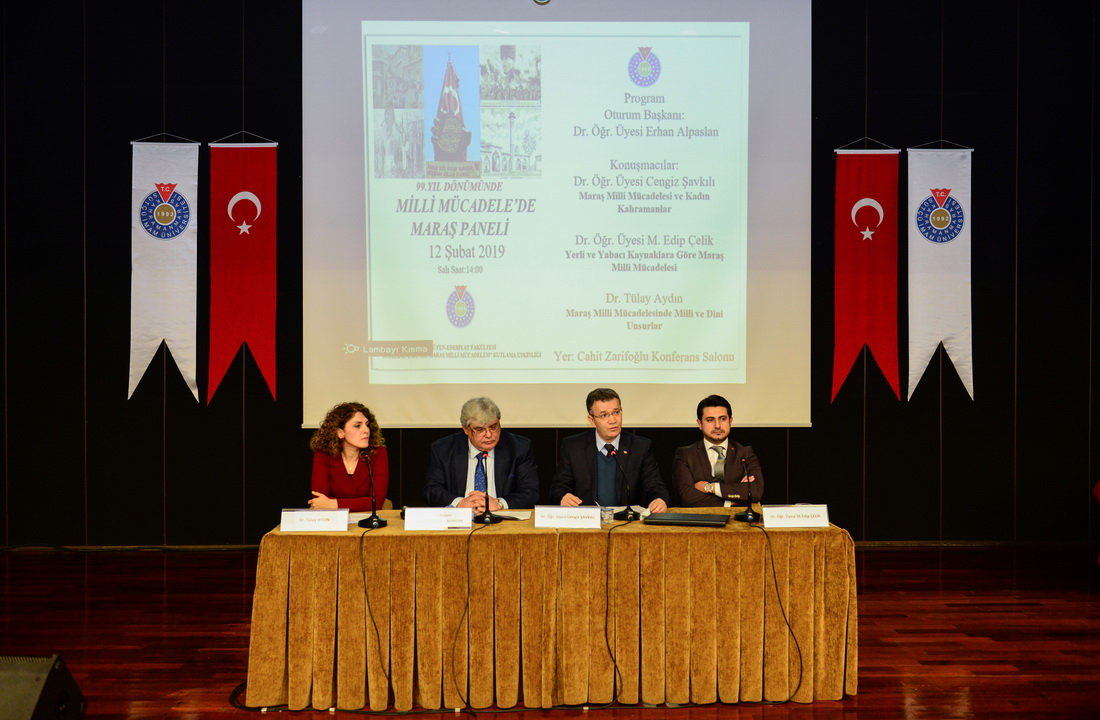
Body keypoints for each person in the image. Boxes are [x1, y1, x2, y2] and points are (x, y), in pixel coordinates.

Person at [549, 388, 669, 514]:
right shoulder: (573, 447)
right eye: (604, 415)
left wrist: (659, 499)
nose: (613, 420)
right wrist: (563, 497)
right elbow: (558, 488)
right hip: (586, 519)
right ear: (592, 420)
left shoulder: (640, 447)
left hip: (626, 521)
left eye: (616, 412)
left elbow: (655, 486)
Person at [423, 397, 540, 512]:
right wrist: (459, 503)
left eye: (493, 427)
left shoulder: (519, 447)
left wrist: (499, 503)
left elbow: (531, 492)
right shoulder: (443, 449)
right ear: (466, 429)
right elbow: (432, 489)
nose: (489, 435)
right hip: (460, 518)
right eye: (480, 429)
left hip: (500, 517)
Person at [673, 394, 763, 507]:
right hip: (701, 517)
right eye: (710, 420)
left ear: (730, 421)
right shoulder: (685, 454)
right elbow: (686, 497)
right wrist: (732, 500)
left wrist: (710, 487)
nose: (717, 425)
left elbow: (755, 491)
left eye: (723, 419)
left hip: (737, 518)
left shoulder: (745, 453)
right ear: (700, 424)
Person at [308, 401, 389, 511]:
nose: (366, 430)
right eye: (357, 426)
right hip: (334, 519)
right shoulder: (323, 455)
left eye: (367, 424)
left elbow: (377, 502)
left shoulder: (378, 453)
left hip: (367, 518)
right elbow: (319, 501)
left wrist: (334, 504)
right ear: (340, 433)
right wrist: (361, 503)